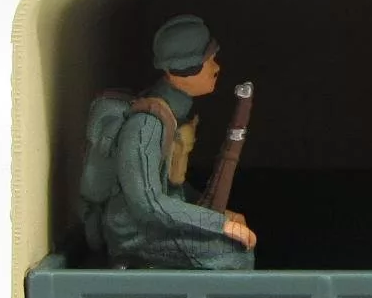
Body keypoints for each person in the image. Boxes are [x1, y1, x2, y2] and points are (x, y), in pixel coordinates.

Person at [102, 14, 256, 269]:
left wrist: (212, 214)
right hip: (136, 234)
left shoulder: (173, 115)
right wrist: (217, 224)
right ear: (185, 69)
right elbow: (148, 204)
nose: (216, 68)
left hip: (156, 224)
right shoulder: (145, 126)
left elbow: (173, 189)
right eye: (208, 61)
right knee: (233, 256)